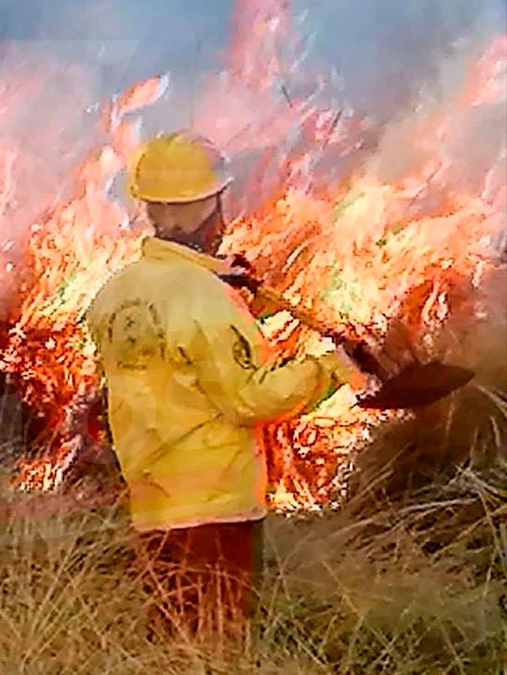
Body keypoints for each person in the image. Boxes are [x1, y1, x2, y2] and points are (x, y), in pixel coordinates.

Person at [84, 131, 362, 638]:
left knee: (171, 636)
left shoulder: (115, 293)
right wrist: (331, 366)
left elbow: (173, 356)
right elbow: (249, 396)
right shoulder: (204, 299)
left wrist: (231, 292)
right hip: (214, 504)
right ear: (206, 209)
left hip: (151, 500)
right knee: (215, 641)